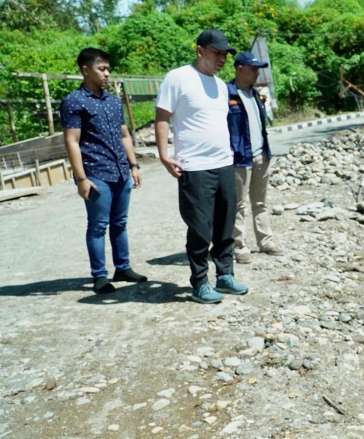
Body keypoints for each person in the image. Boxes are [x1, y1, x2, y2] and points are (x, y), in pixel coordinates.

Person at [154, 28, 249, 303]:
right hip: (194, 167)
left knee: (225, 224)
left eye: (225, 54)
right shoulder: (179, 78)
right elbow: (162, 116)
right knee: (200, 228)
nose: (222, 58)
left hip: (223, 163)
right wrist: (163, 154)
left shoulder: (220, 85)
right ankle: (199, 283)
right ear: (199, 50)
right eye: (216, 52)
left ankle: (225, 275)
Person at [61, 47, 147, 295]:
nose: (107, 73)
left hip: (121, 171)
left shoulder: (112, 101)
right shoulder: (74, 102)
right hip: (96, 173)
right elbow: (72, 142)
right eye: (102, 69)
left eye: (108, 68)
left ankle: (123, 268)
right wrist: (81, 178)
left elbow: (124, 135)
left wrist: (134, 165)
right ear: (85, 70)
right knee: (98, 226)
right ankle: (99, 276)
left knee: (120, 223)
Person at [227, 52, 282, 264]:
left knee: (260, 202)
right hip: (240, 158)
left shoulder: (256, 94)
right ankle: (238, 247)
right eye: (253, 69)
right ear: (240, 68)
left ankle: (265, 241)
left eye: (258, 69)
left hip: (261, 155)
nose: (257, 73)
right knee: (238, 204)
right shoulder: (227, 93)